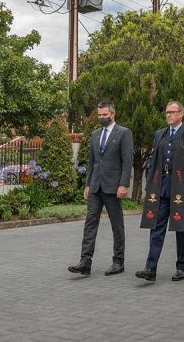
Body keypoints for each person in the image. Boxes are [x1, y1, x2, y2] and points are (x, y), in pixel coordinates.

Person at [137, 101, 184, 282]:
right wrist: (150, 183)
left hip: (180, 190)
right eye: (166, 112)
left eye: (172, 112)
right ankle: (150, 268)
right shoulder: (160, 134)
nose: (168, 115)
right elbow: (153, 160)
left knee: (181, 229)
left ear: (181, 114)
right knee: (156, 227)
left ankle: (182, 267)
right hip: (161, 187)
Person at [68, 101, 134, 276]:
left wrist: (123, 184)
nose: (101, 118)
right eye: (99, 115)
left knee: (116, 225)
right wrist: (88, 185)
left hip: (113, 187)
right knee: (90, 223)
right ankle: (85, 262)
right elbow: (92, 162)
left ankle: (118, 261)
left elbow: (127, 162)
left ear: (112, 114)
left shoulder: (124, 133)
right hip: (96, 187)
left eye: (104, 115)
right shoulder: (95, 134)